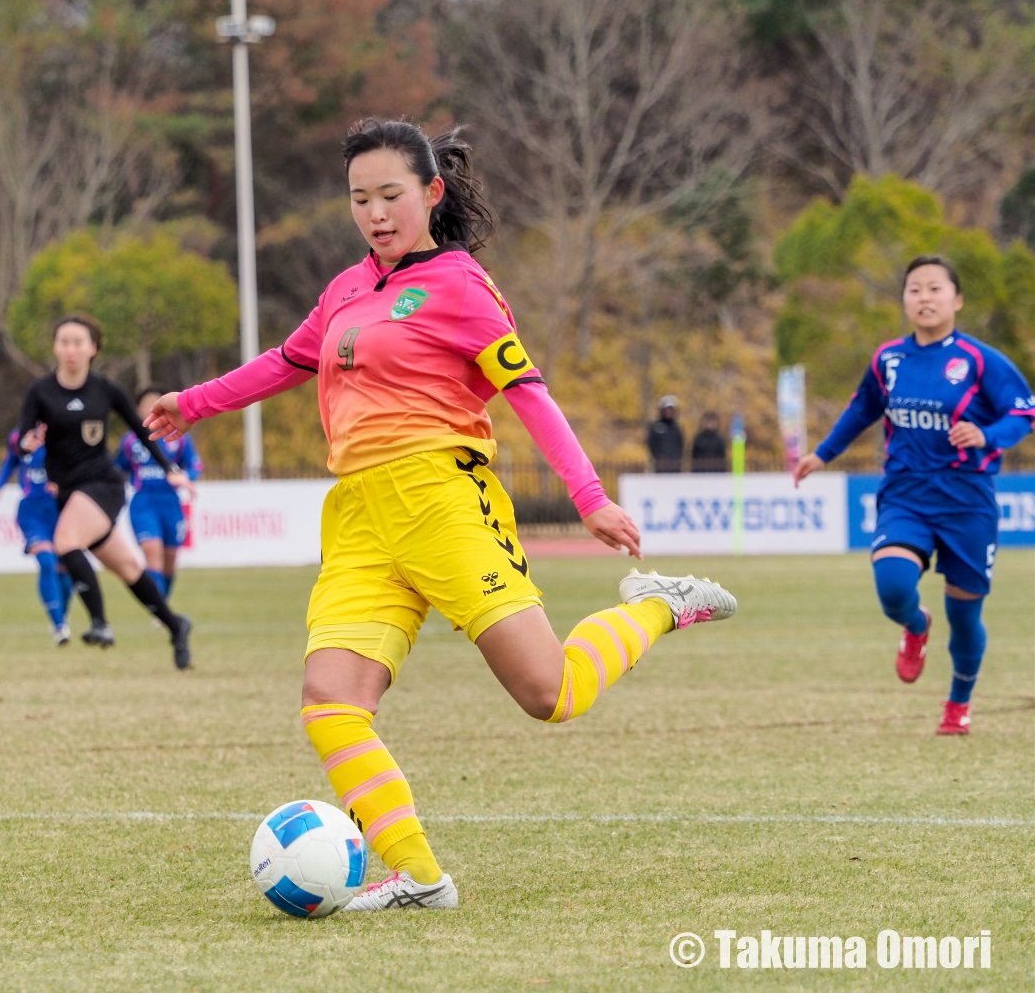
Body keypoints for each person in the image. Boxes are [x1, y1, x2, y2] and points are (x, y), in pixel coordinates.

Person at [146, 119, 737, 911]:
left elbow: (529, 393)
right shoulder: (346, 289)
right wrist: (192, 404)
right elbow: (285, 362)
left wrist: (589, 497)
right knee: (330, 698)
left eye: (391, 195)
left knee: (547, 693)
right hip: (357, 516)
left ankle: (660, 608)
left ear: (431, 193)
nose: (375, 213)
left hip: (443, 501)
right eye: (360, 198)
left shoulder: (461, 285)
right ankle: (420, 877)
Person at [795, 255, 1033, 736]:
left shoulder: (980, 359)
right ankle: (916, 626)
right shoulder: (889, 359)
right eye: (914, 289)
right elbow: (861, 409)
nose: (924, 297)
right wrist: (822, 454)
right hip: (905, 494)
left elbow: (1023, 412)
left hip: (967, 500)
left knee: (965, 616)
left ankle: (958, 703)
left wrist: (987, 435)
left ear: (957, 299)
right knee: (894, 587)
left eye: (935, 289)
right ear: (904, 299)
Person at [17, 315, 195, 669]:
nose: (71, 349)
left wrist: (171, 469)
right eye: (64, 341)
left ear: (93, 349)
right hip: (69, 493)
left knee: (65, 542)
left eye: (78, 342)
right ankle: (177, 625)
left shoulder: (105, 389)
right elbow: (22, 441)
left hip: (103, 486)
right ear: (55, 347)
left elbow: (144, 431)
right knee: (128, 568)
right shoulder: (40, 392)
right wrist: (27, 443)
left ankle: (100, 624)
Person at [0, 428, 76, 645]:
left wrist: (64, 483)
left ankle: (62, 615)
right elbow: (11, 460)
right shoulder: (20, 436)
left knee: (66, 568)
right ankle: (58, 626)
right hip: (32, 512)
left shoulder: (66, 430)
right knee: (47, 562)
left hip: (62, 509)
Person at [116, 386, 202, 600]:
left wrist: (185, 477)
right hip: (143, 503)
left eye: (155, 403)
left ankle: (162, 605)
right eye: (145, 404)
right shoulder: (130, 441)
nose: (150, 408)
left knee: (170, 560)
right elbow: (117, 468)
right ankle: (160, 612)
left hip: (170, 503)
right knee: (152, 553)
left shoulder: (178, 437)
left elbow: (195, 465)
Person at [646, 395, 684, 472]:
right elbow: (651, 444)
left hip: (674, 466)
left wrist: (676, 459)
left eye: (671, 410)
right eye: (666, 410)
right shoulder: (655, 427)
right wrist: (658, 458)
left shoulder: (677, 428)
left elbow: (680, 444)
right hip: (660, 466)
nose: (668, 412)